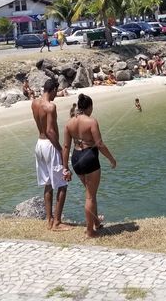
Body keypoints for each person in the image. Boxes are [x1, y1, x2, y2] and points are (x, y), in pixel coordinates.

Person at [62, 93, 117, 238]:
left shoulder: (69, 123)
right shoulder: (92, 121)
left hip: (76, 159)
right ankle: (90, 231)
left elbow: (66, 146)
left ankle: (96, 222)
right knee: (90, 197)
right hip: (89, 158)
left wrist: (65, 167)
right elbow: (99, 144)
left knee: (90, 192)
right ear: (89, 107)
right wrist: (111, 159)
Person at [31, 78, 72, 231]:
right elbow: (49, 130)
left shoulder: (34, 103)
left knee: (48, 183)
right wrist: (60, 149)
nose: (57, 94)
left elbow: (42, 128)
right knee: (62, 184)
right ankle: (57, 222)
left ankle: (49, 220)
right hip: (49, 145)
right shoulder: (51, 106)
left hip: (39, 144)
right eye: (57, 90)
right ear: (54, 89)